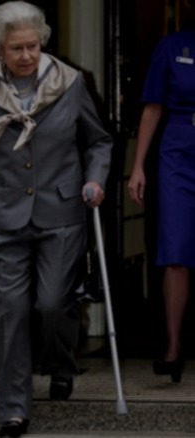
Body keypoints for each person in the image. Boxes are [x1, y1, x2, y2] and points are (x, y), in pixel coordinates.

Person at [0, 2, 112, 436]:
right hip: (4, 214)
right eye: (16, 48)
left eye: (32, 46)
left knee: (54, 302)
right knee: (9, 311)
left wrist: (95, 180)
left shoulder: (71, 83)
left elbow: (98, 141)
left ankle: (60, 362)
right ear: (0, 49)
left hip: (61, 209)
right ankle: (12, 408)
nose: (26, 56)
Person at [127, 0, 195, 384]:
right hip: (178, 150)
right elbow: (152, 108)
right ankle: (172, 347)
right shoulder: (172, 47)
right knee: (175, 248)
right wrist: (138, 167)